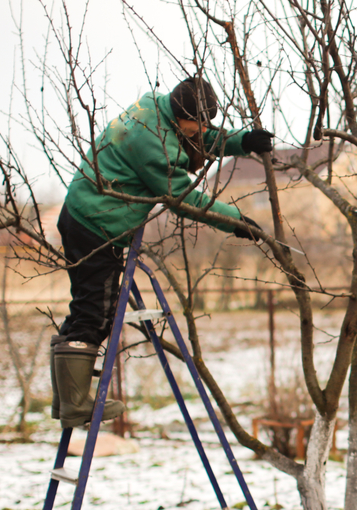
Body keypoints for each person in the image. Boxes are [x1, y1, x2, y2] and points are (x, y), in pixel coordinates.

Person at [51, 76, 274, 428]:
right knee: (94, 312)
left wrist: (242, 141)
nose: (202, 129)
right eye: (198, 122)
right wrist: (236, 221)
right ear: (180, 113)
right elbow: (184, 199)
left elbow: (195, 138)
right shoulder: (153, 145)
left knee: (85, 306)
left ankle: (65, 400)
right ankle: (75, 404)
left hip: (82, 212)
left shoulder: (157, 107)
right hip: (97, 225)